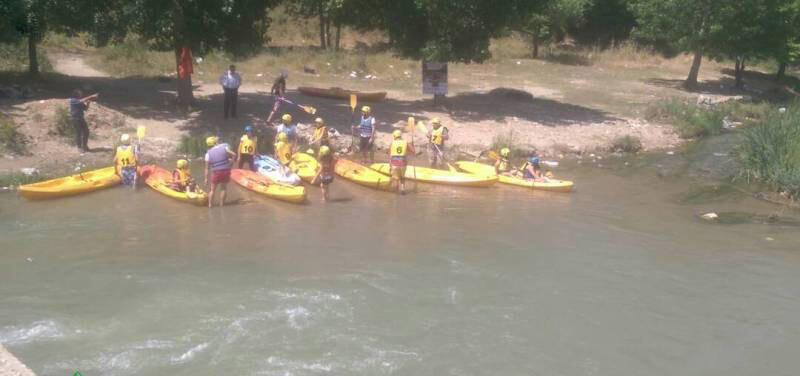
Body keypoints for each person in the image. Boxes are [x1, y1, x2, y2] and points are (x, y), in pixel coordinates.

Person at [204, 136, 236, 208]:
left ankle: (210, 205)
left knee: (212, 190)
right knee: (223, 188)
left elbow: (206, 168)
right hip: (225, 170)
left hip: (216, 172)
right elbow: (234, 154)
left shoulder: (208, 154)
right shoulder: (224, 147)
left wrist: (206, 179)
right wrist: (231, 163)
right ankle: (222, 205)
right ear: (215, 142)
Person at [389, 129, 414, 194]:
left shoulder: (392, 143)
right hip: (403, 163)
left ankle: (397, 190)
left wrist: (390, 165)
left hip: (394, 163)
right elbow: (413, 151)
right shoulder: (406, 142)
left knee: (396, 178)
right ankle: (403, 188)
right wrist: (411, 145)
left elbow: (389, 154)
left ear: (394, 136)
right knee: (402, 177)